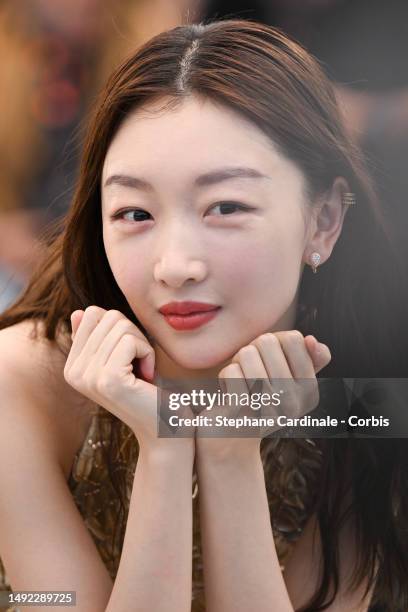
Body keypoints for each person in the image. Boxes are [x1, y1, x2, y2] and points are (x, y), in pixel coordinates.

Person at [0, 19, 406, 612]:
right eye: (135, 213)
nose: (175, 266)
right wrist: (163, 448)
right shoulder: (23, 385)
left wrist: (227, 448)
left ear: (323, 220)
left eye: (225, 206)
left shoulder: (367, 390)